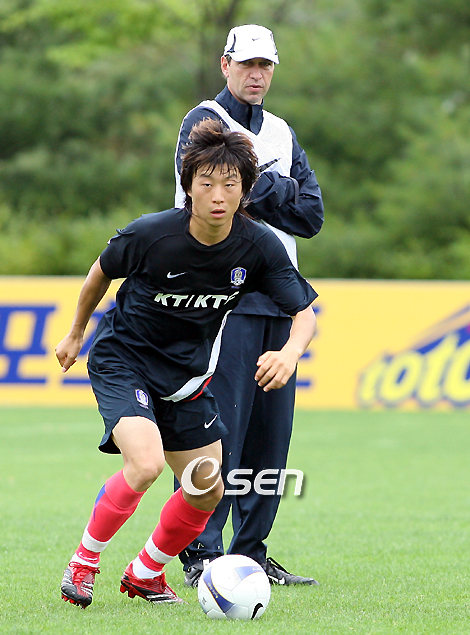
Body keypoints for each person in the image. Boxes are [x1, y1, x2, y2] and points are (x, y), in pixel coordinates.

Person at [56, 118, 317, 609]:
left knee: (206, 490)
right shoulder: (152, 233)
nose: (218, 195)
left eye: (230, 185)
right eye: (207, 183)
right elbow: (100, 272)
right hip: (124, 360)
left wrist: (289, 352)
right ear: (188, 186)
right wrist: (76, 332)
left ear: (245, 191)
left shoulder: (258, 245)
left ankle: (146, 572)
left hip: (186, 379)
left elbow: (304, 313)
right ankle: (83, 563)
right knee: (146, 464)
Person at [174, 24, 324, 587]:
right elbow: (231, 196)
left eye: (266, 66)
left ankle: (252, 550)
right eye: (247, 64)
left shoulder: (280, 130)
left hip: (277, 298)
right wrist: (278, 188)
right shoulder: (205, 120)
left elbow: (311, 216)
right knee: (220, 433)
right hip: (222, 297)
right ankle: (202, 551)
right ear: (226, 64)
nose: (257, 74)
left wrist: (267, 188)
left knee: (269, 438)